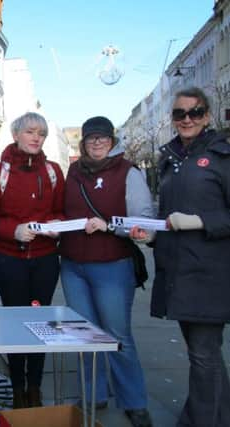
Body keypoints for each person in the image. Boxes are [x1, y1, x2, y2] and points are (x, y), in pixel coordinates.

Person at [58, 116, 153, 427]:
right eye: (91, 138)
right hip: (73, 264)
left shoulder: (128, 172)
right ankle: (94, 394)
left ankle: (134, 401)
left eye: (102, 138)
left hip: (112, 265)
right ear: (83, 143)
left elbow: (144, 222)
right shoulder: (73, 171)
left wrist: (111, 225)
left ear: (113, 141)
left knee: (116, 334)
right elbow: (62, 210)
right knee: (84, 335)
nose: (96, 143)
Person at [147, 87, 230, 427]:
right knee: (205, 356)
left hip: (210, 272)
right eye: (179, 114)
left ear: (207, 115)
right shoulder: (171, 158)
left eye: (194, 112)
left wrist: (200, 222)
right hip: (178, 270)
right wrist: (152, 231)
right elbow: (167, 214)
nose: (186, 119)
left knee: (203, 356)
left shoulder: (223, 156)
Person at [0, 112, 65, 408]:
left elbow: (63, 212)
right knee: (14, 322)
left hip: (45, 261)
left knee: (39, 321)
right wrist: (13, 230)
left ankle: (35, 387)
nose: (36, 137)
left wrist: (54, 226)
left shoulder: (52, 171)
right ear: (16, 135)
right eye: (30, 131)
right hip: (10, 261)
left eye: (41, 133)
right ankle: (17, 387)